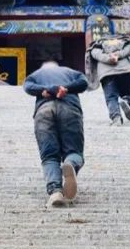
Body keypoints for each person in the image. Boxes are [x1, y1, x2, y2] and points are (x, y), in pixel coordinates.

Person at [22, 60, 89, 208]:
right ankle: (70, 163)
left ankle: (55, 192)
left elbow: (27, 86)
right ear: (58, 67)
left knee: (49, 156)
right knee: (74, 151)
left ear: (43, 68)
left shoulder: (37, 74)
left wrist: (44, 90)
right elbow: (84, 82)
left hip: (43, 111)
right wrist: (65, 88)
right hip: (69, 109)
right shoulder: (71, 72)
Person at [87, 34, 130, 125]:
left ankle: (116, 117)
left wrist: (109, 58)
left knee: (111, 97)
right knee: (127, 93)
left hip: (107, 73)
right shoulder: (125, 41)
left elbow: (94, 54)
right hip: (125, 70)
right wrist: (119, 54)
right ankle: (126, 101)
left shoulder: (97, 45)